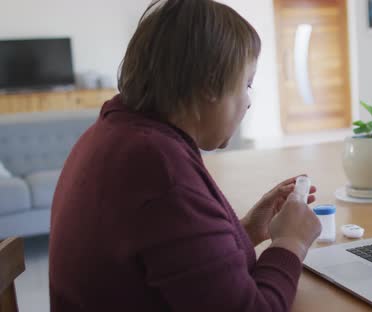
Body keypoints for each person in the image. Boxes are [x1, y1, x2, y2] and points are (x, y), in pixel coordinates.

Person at [49, 1, 321, 311]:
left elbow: (174, 261)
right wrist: (291, 243)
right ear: (208, 83)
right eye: (246, 84)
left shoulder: (116, 131)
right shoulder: (158, 167)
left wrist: (246, 231)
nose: (248, 102)